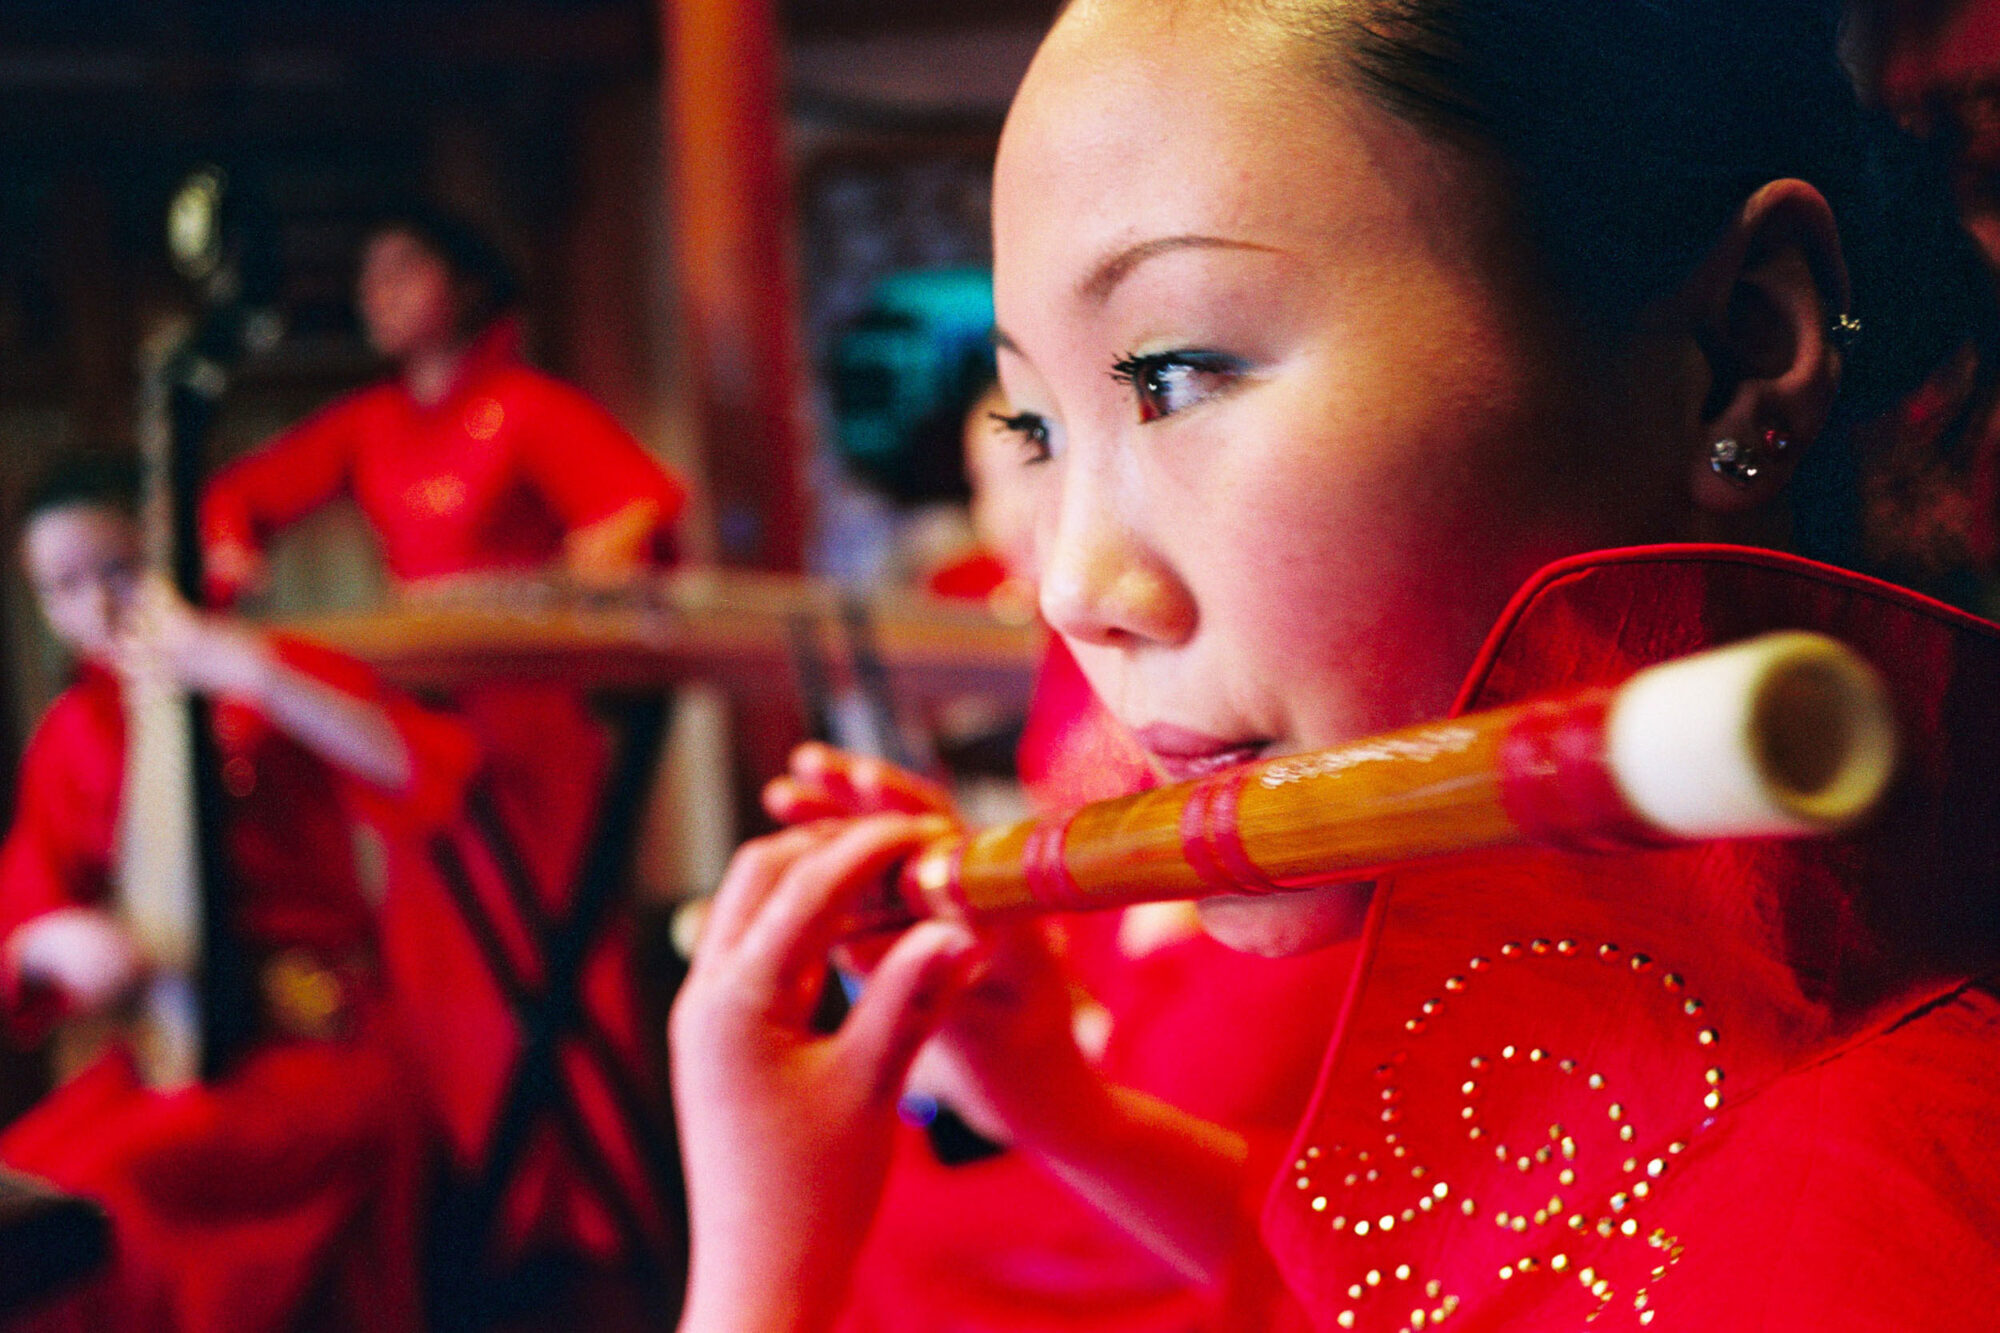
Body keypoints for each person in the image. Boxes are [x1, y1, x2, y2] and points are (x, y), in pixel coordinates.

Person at [666, 1, 2000, 1330]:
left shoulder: (1877, 1197)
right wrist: (1055, 1105)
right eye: (1036, 422)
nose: (1074, 592)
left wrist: (747, 1287)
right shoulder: (1632, 1020)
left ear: (1734, 352)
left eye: (1175, 373)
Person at [199, 206, 689, 1276]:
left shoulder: (525, 407)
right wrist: (229, 558)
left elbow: (634, 510)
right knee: (439, 975)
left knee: (550, 962)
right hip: (417, 734)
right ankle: (494, 1220)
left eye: (399, 271)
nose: (375, 294)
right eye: (366, 276)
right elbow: (240, 498)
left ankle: (588, 1224)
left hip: (528, 728)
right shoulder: (370, 423)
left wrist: (559, 587)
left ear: (463, 287)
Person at [0, 456, 476, 1331]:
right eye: (62, 587)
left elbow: (427, 772)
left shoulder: (260, 669)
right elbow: (26, 904)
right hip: (168, 1056)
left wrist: (252, 672)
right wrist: (45, 942)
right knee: (28, 1186)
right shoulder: (74, 732)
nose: (98, 606)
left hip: (316, 1049)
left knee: (123, 1185)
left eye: (119, 569)